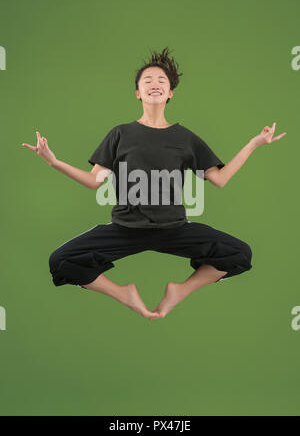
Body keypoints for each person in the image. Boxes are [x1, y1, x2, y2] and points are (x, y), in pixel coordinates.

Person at [21, 46, 287, 321]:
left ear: (170, 92)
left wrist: (254, 144)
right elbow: (94, 182)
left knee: (240, 254)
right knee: (61, 262)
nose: (154, 84)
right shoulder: (120, 134)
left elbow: (220, 178)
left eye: (162, 81)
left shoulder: (185, 138)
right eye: (147, 81)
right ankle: (125, 295)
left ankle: (179, 291)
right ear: (138, 93)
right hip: (125, 229)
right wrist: (54, 162)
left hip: (174, 228)